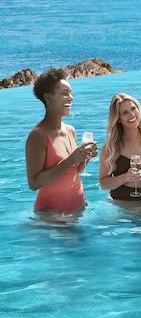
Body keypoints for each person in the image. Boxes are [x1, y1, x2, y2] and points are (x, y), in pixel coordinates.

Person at [25, 68, 96, 215]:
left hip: (79, 208)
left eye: (70, 93)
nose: (71, 98)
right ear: (48, 97)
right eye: (64, 94)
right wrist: (71, 160)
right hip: (53, 215)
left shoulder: (70, 130)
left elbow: (74, 171)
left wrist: (85, 157)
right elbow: (34, 183)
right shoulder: (38, 136)